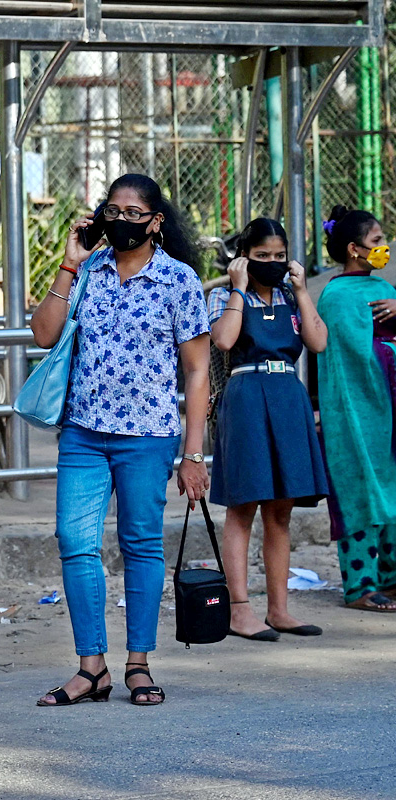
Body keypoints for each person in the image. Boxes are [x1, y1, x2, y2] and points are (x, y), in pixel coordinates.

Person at [30, 173, 210, 707]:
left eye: (135, 213)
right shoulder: (88, 273)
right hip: (84, 434)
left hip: (148, 437)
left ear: (156, 222)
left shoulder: (178, 281)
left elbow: (198, 373)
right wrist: (70, 262)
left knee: (140, 546)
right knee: (74, 540)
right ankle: (92, 668)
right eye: (114, 211)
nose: (123, 221)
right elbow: (42, 334)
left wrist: (193, 454)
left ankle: (138, 663)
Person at [207, 218, 329, 640]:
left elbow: (317, 342)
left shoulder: (291, 298)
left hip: (287, 397)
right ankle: (239, 610)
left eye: (279, 256)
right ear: (244, 256)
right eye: (263, 256)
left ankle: (279, 609)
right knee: (243, 506)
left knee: (281, 511)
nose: (273, 263)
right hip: (246, 396)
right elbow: (223, 340)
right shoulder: (224, 296)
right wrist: (239, 287)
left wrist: (301, 290)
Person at [315, 205, 396, 612]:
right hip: (356, 412)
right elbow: (355, 354)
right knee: (359, 490)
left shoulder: (385, 289)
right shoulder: (335, 295)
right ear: (353, 249)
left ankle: (391, 579)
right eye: (377, 241)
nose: (384, 248)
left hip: (389, 412)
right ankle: (360, 585)